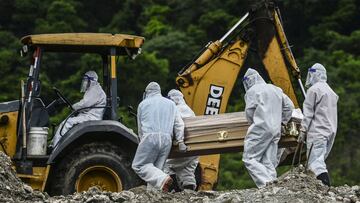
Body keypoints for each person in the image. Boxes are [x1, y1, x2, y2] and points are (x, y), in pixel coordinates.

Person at [242, 68, 294, 188]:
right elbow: (289, 106)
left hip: (260, 128)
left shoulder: (252, 91)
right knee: (268, 162)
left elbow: (249, 112)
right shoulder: (275, 89)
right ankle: (274, 187)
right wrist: (282, 122)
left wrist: (252, 124)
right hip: (276, 130)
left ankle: (266, 185)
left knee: (249, 158)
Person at [132, 82, 187, 192]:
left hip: (149, 137)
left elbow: (140, 127)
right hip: (167, 140)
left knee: (139, 165)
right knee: (156, 170)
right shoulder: (170, 104)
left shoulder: (143, 104)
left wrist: (141, 140)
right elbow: (179, 123)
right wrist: (180, 140)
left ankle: (163, 179)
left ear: (147, 92)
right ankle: (153, 195)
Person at [299, 63, 338, 186]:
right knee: (319, 159)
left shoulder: (314, 90)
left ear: (314, 74)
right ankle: (318, 189)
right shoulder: (331, 92)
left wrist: (303, 130)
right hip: (330, 132)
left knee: (315, 162)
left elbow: (308, 113)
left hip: (318, 132)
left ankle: (325, 185)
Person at [51, 71, 106, 148]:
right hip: (88, 115)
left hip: (91, 118)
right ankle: (54, 144)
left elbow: (85, 104)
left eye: (86, 80)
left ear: (91, 80)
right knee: (67, 121)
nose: (85, 82)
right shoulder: (92, 90)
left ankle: (56, 148)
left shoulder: (95, 90)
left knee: (66, 123)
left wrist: (73, 107)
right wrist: (74, 107)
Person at [164, 89, 199, 191]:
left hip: (179, 148)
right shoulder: (190, 110)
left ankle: (171, 186)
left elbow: (178, 127)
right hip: (194, 149)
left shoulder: (175, 110)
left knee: (166, 164)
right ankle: (189, 190)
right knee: (187, 169)